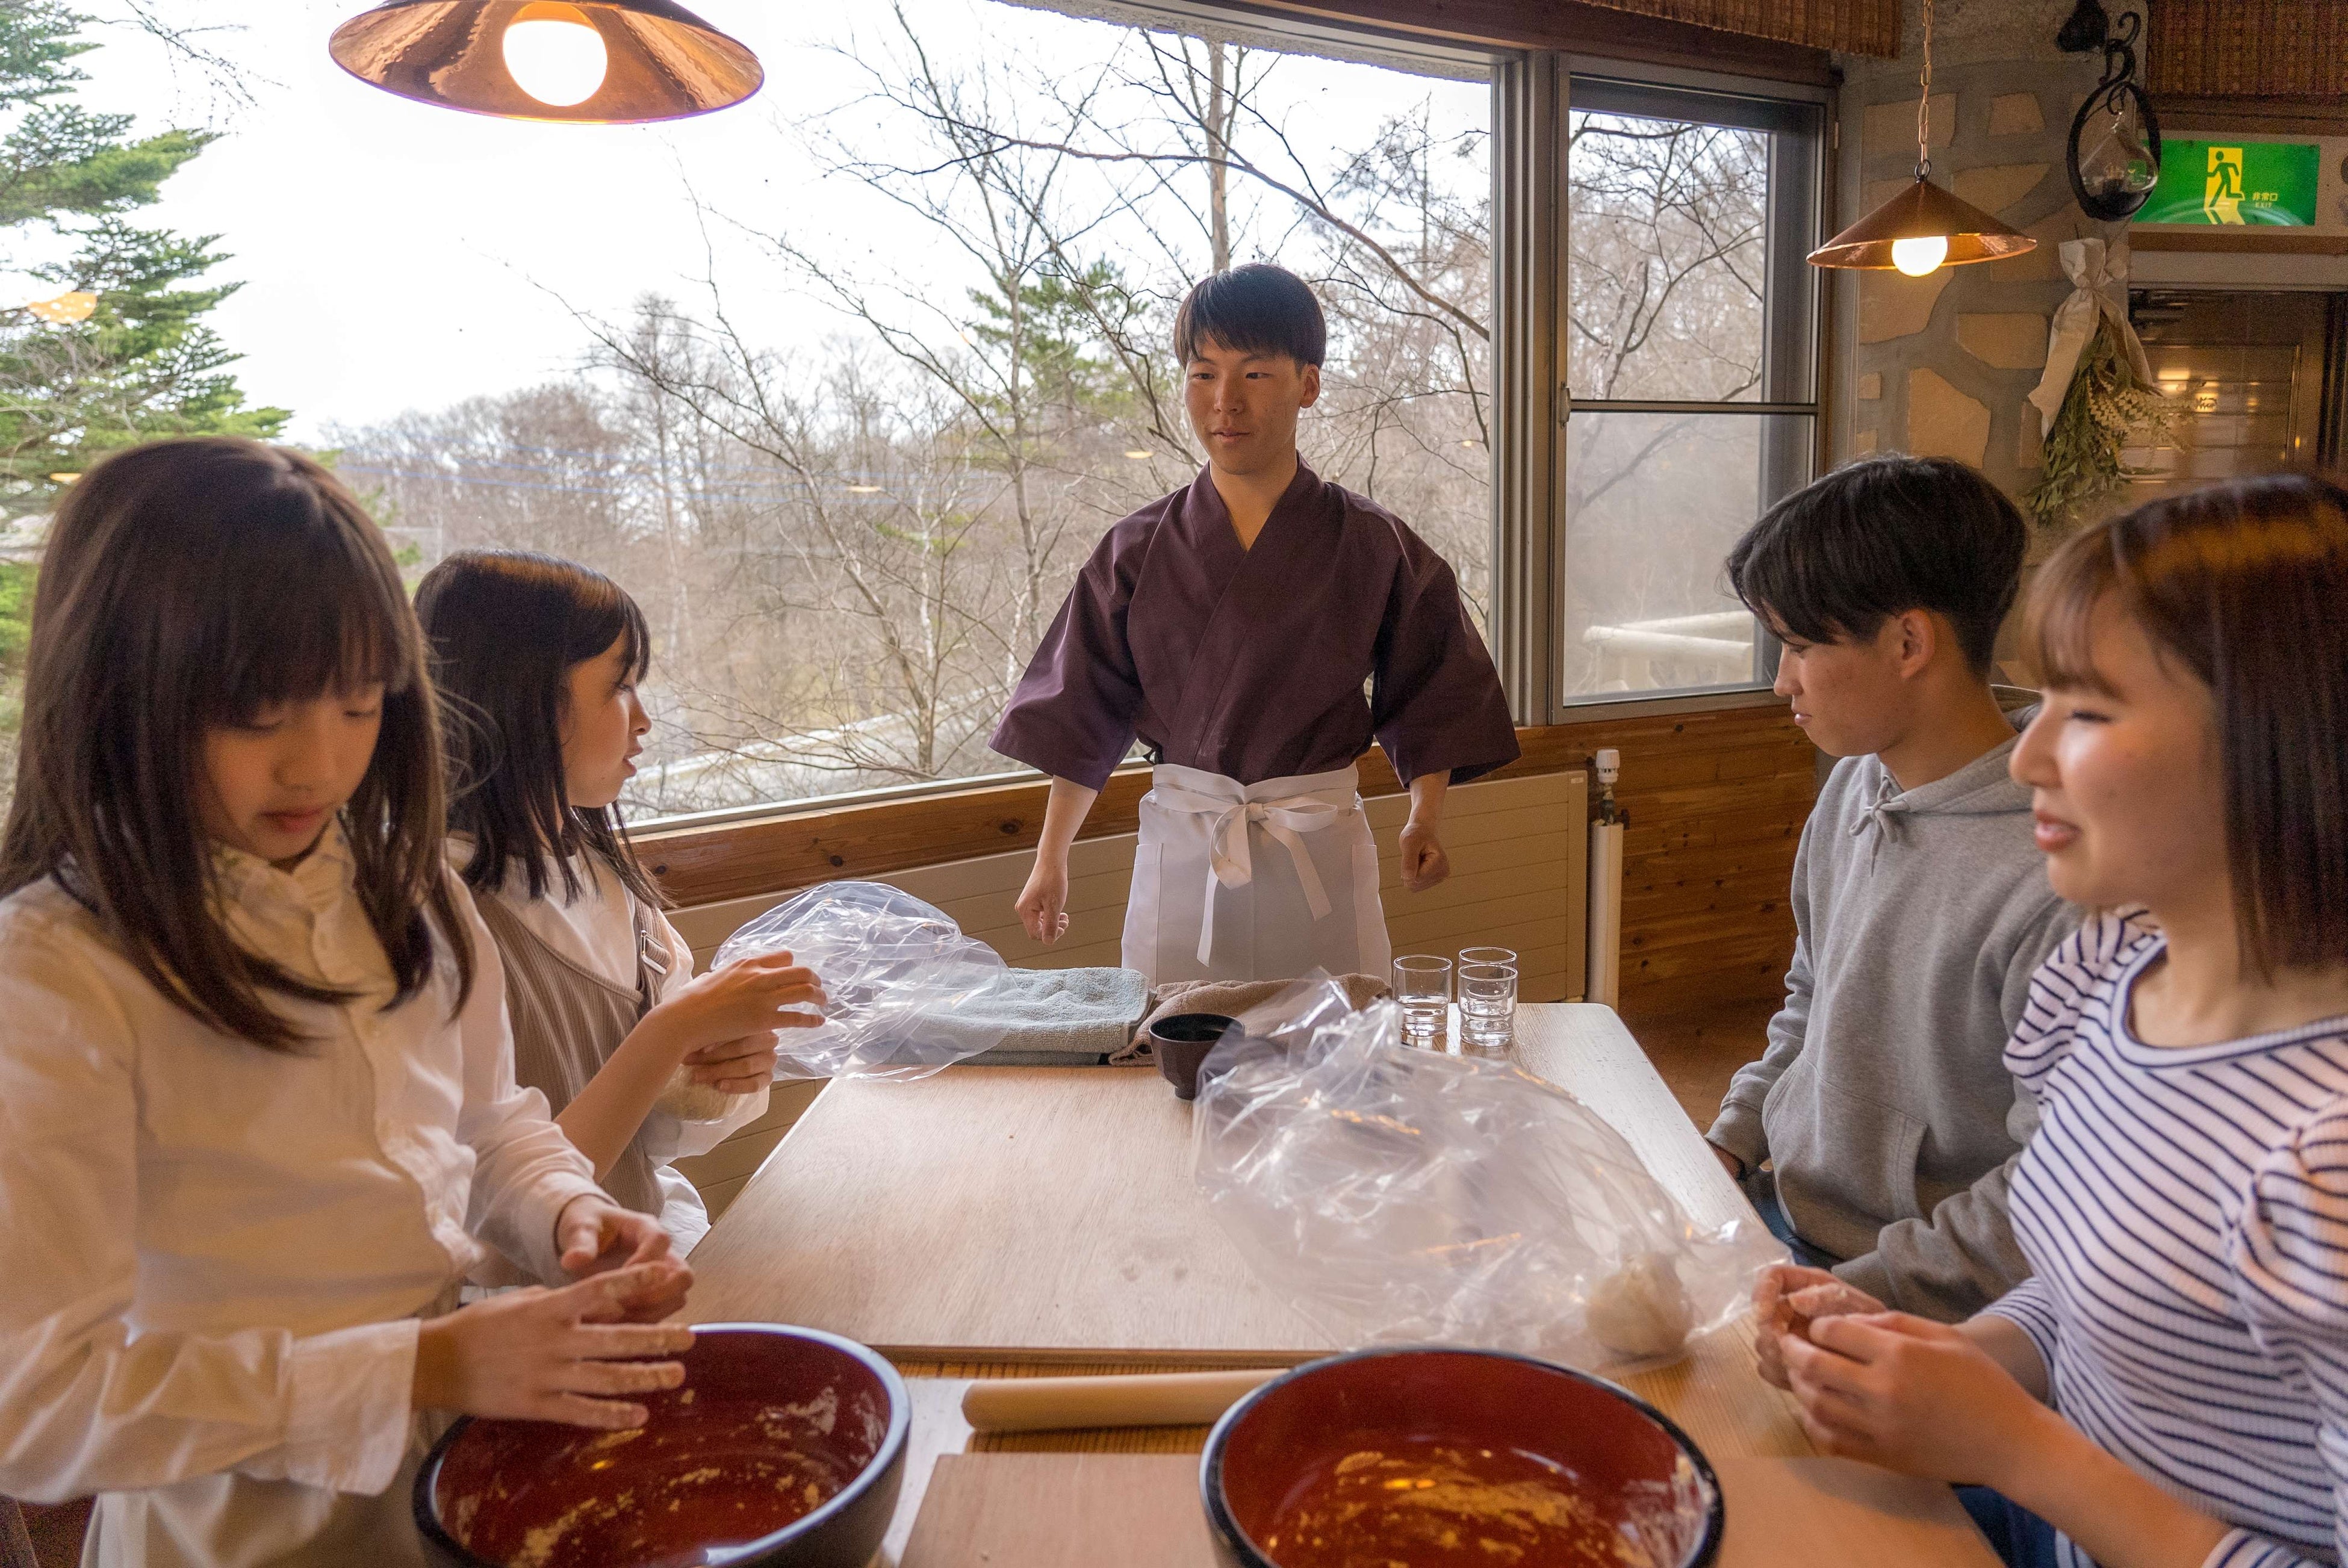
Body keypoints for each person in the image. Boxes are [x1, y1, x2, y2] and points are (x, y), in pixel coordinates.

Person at [0, 440, 697, 1567]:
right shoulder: (59, 974)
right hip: (236, 1532)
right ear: (119, 691)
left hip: (459, 1471)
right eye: (255, 715)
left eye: (359, 704)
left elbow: (486, 1125)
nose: (318, 767)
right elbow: (34, 1407)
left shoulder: (405, 886)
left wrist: (568, 1212)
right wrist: (421, 1367)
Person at [1764, 473, 2348, 1568]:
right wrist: (1955, 1357)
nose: (2028, 755)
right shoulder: (2114, 976)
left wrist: (2017, 1450)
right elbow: (2088, 1289)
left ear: (2275, 739)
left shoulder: (2322, 1157)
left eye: (2088, 711)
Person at [992, 262, 1517, 984]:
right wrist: (1051, 858)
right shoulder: (1136, 550)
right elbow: (1082, 708)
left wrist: (1425, 814)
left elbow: (1436, 687)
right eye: (1203, 374)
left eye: (1255, 374)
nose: (1224, 402)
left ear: (1308, 384)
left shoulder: (1372, 544)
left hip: (1318, 846)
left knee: (1338, 1061)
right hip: (1186, 850)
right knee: (1172, 1051)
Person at [1703, 455, 2076, 1321]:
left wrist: (1849, 1297)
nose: (1781, 681)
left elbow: (2053, 1182)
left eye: (1799, 646)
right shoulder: (1856, 780)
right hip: (1781, 1222)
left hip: (1922, 1305)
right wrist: (1730, 1144)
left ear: (1910, 643)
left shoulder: (2056, 876)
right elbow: (1811, 998)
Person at [416, 550, 827, 1260]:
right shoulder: (431, 912)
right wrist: (670, 1033)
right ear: (527, 698)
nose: (644, 722)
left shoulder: (602, 874)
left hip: (649, 1251)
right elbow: (486, 1211)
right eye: (620, 688)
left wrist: (720, 1071)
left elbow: (656, 1138)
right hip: (521, 1307)